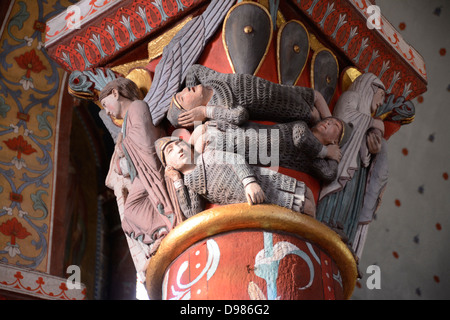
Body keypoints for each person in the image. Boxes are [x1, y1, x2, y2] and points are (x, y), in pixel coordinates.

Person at [99, 77, 179, 251]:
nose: (106, 112)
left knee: (133, 209)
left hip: (150, 166)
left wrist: (121, 145)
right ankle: (160, 232)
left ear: (115, 93)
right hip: (142, 170)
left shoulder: (138, 106)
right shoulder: (126, 121)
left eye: (105, 104)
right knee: (128, 217)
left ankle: (166, 229)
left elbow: (144, 137)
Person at [156, 137, 317, 219]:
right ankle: (320, 234)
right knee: (304, 207)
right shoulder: (191, 184)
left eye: (179, 143)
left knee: (305, 191)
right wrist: (177, 182)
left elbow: (235, 159)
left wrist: (249, 182)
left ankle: (323, 229)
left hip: (259, 180)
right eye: (170, 150)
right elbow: (193, 213)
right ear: (168, 166)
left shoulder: (207, 156)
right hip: (256, 201)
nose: (178, 149)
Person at [316, 72, 387, 254]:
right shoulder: (351, 96)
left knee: (351, 198)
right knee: (339, 190)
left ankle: (342, 227)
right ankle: (325, 219)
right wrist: (374, 123)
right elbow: (343, 118)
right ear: (372, 88)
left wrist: (375, 146)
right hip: (344, 157)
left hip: (358, 166)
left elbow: (370, 143)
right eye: (381, 97)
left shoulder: (369, 116)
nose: (380, 104)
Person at [188, 116, 353, 184]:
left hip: (249, 158)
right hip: (245, 137)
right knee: (204, 141)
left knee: (207, 158)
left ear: (334, 140)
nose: (329, 123)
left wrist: (334, 155)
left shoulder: (314, 159)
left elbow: (329, 174)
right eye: (329, 120)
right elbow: (301, 139)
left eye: (335, 126)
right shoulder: (301, 127)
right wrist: (326, 152)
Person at [166, 64, 331, 128]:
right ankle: (333, 133)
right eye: (182, 97)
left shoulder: (208, 79)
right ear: (191, 113)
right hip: (275, 102)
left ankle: (336, 126)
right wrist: (203, 112)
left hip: (273, 86)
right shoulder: (217, 107)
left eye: (182, 90)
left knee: (315, 95)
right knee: (312, 114)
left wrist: (192, 96)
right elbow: (239, 115)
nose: (185, 90)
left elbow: (193, 69)